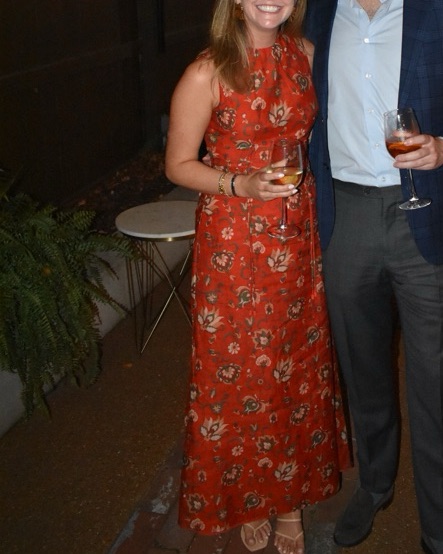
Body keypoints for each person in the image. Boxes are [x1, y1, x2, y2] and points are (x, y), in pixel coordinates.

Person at [165, 1, 351, 552]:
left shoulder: (306, 54)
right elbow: (177, 164)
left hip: (299, 235)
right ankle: (251, 496)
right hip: (234, 244)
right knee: (243, 375)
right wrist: (239, 184)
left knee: (295, 369)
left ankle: (289, 497)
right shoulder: (206, 71)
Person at [304, 1, 443, 553]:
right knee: (362, 370)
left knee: (434, 381)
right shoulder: (316, 14)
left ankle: (438, 526)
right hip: (347, 214)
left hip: (424, 214)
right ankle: (375, 483)